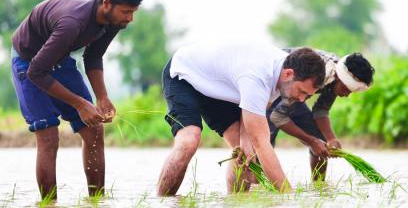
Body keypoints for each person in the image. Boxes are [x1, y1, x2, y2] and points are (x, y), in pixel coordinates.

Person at [11, 0, 143, 199]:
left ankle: (97, 203)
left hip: (59, 58)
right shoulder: (72, 22)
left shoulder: (113, 21)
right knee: (48, 136)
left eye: (133, 12)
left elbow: (93, 57)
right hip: (29, 62)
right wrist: (81, 104)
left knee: (94, 129)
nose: (130, 18)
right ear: (106, 4)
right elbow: (37, 72)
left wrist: (101, 97)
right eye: (127, 12)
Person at [157, 44, 326, 196]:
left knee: (245, 153)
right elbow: (261, 142)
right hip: (185, 75)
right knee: (189, 140)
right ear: (289, 74)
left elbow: (253, 115)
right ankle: (163, 202)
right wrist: (288, 195)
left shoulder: (282, 75)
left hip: (222, 87)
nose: (302, 100)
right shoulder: (258, 76)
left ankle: (236, 206)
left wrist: (245, 142)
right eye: (302, 92)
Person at [267, 50, 375, 181]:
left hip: (295, 96)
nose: (346, 95)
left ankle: (318, 186)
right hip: (275, 89)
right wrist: (311, 141)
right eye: (346, 89)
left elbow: (321, 110)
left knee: (321, 142)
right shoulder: (320, 74)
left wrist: (331, 139)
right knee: (263, 144)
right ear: (339, 78)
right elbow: (278, 116)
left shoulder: (337, 76)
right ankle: (251, 186)